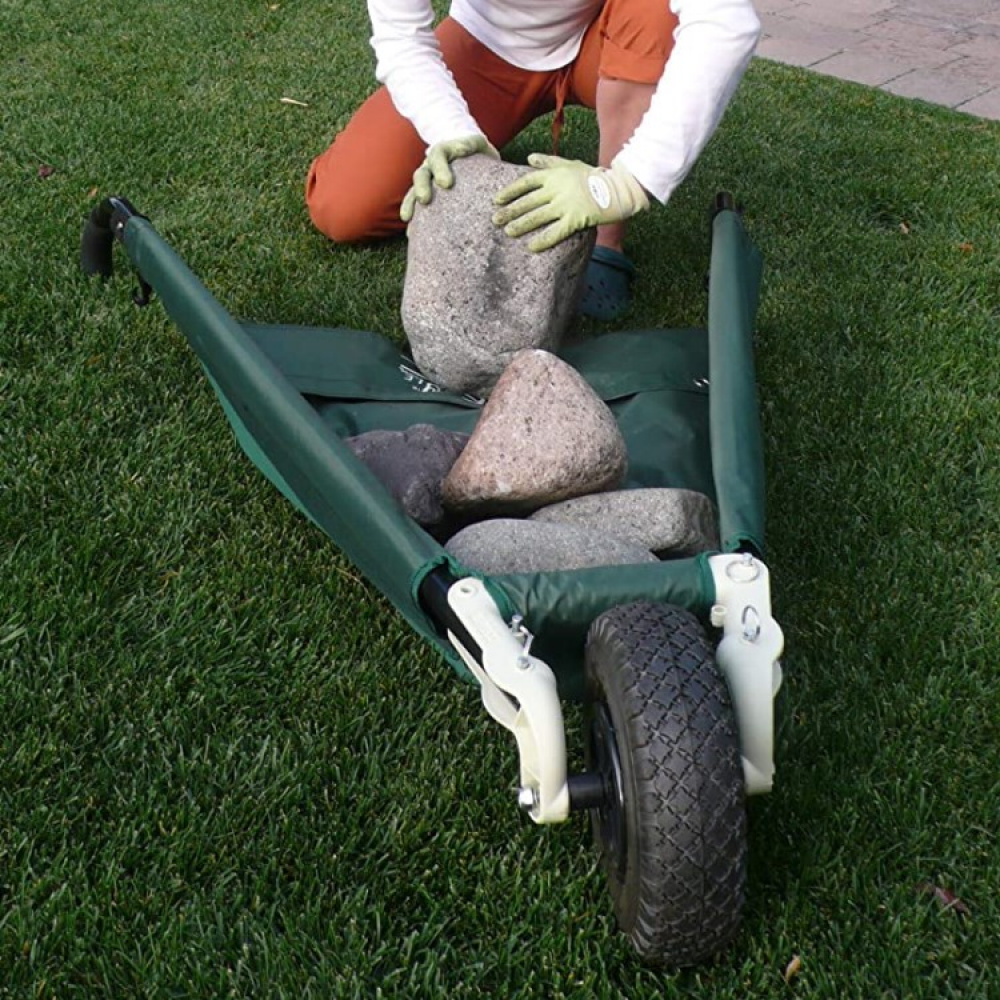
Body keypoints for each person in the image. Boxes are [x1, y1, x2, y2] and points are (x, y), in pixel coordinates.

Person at [306, 0, 761, 320]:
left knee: (653, 11)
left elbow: (726, 21)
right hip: (488, 45)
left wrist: (629, 181)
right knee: (344, 207)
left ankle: (606, 244)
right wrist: (452, 130)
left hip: (607, 36)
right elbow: (401, 36)